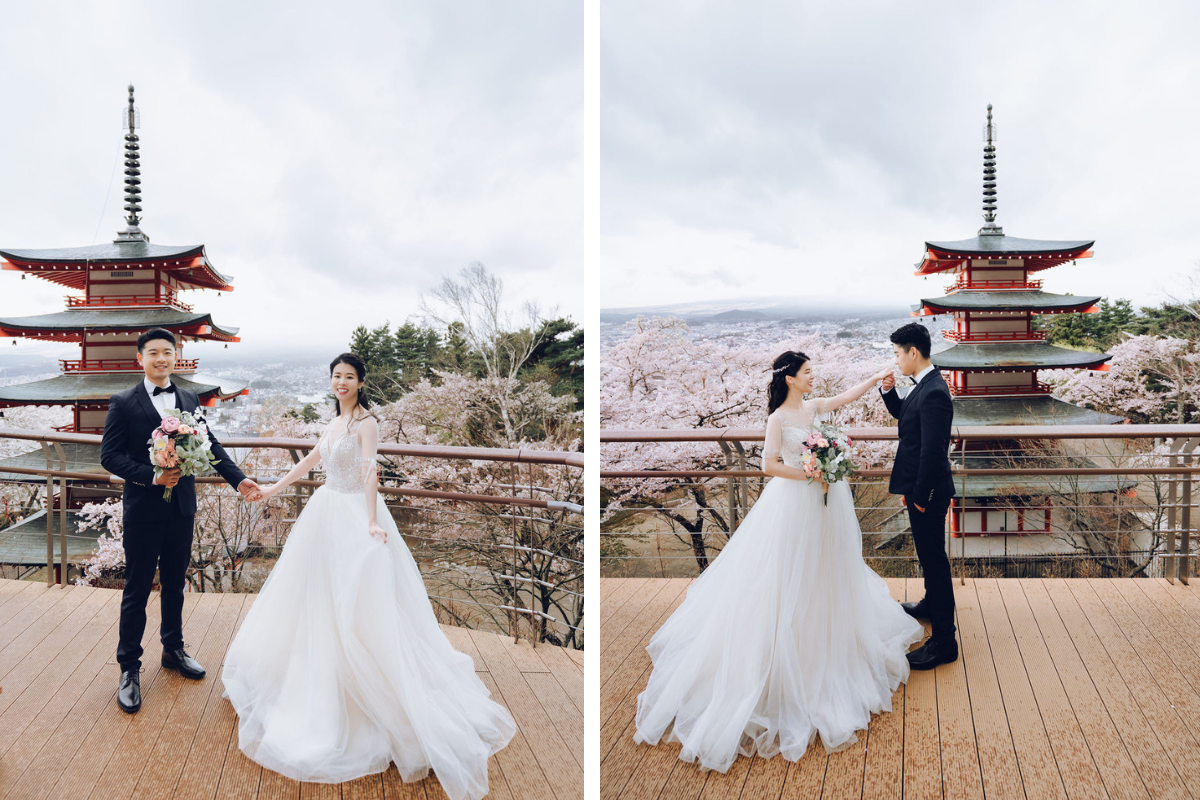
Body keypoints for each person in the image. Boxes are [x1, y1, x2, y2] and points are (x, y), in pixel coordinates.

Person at [221, 352, 516, 800]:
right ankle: (324, 678)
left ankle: (370, 696)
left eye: (349, 377)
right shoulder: (333, 421)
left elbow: (368, 471)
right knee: (317, 600)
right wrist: (270, 490)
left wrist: (372, 521)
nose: (341, 382)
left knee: (356, 606)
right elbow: (308, 464)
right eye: (336, 376)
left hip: (352, 516)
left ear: (360, 382)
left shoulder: (366, 423)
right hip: (323, 513)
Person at [632, 350, 924, 773]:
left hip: (826, 503)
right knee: (787, 575)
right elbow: (769, 465)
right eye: (807, 372)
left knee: (826, 568)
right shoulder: (777, 420)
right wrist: (810, 473)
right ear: (789, 378)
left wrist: (876, 378)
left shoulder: (814, 407)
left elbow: (845, 396)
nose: (813, 377)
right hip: (793, 503)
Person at [99, 327, 260, 714]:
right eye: (152, 352)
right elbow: (109, 456)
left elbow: (210, 443)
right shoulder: (123, 402)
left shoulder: (188, 397)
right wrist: (151, 475)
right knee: (136, 590)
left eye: (167, 352)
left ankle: (173, 649)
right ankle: (129, 669)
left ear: (176, 356)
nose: (160, 358)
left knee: (174, 584)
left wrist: (239, 480)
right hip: (143, 509)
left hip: (181, 508)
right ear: (140, 358)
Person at [880, 322, 959, 670]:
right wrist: (889, 393)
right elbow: (907, 419)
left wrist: (921, 496)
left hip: (927, 490)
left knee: (935, 561)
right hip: (920, 487)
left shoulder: (935, 392)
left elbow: (933, 452)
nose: (896, 361)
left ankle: (945, 641)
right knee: (929, 556)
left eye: (898, 354)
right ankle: (930, 605)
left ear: (913, 352)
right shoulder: (924, 385)